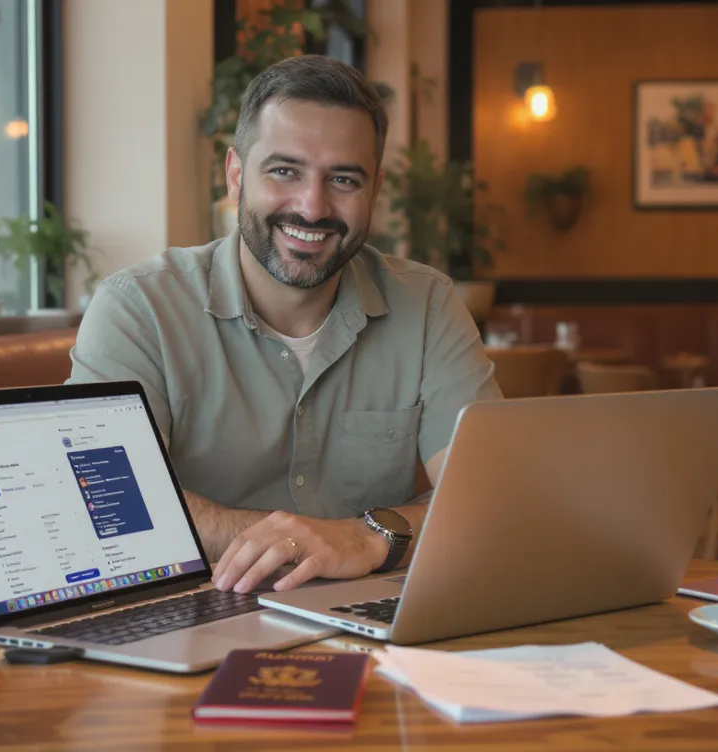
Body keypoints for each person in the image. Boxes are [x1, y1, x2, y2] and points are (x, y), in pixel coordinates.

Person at [67, 54, 500, 596]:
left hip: (367, 611)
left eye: (343, 179)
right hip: (194, 610)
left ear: (374, 190)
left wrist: (366, 538)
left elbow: (489, 499)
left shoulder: (427, 303)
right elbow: (105, 499)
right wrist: (302, 542)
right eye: (284, 171)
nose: (312, 207)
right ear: (235, 176)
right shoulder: (139, 308)